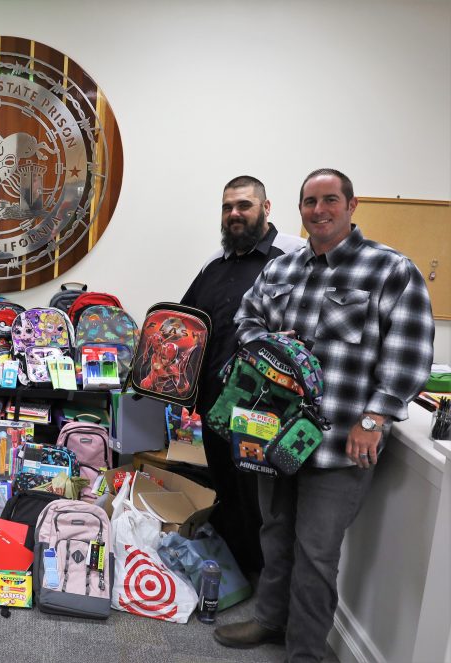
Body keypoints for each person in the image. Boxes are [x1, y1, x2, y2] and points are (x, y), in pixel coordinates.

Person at [214, 169, 434, 662]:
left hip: (339, 443)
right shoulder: (283, 269)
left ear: (351, 205)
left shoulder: (390, 270)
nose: (319, 210)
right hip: (275, 434)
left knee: (316, 553)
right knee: (274, 532)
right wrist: (268, 345)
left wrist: (375, 419)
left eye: (330, 200)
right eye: (310, 202)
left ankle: (306, 653)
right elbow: (246, 319)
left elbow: (409, 357)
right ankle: (270, 620)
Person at [180, 175, 303, 575]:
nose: (234, 214)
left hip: (267, 409)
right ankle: (234, 575)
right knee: (227, 492)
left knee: (265, 504)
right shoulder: (213, 264)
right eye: (227, 206)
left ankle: (264, 589)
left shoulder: (295, 257)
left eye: (244, 205)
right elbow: (186, 325)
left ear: (266, 209)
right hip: (215, 407)